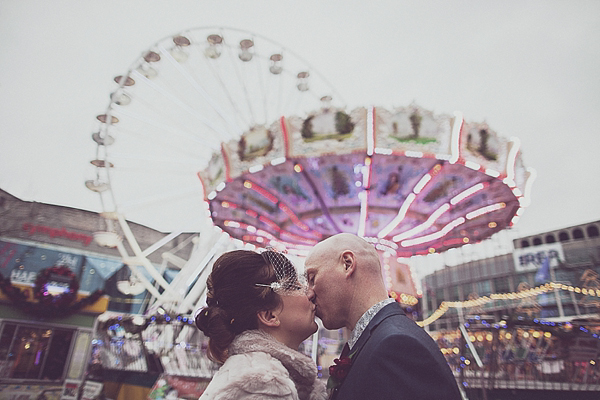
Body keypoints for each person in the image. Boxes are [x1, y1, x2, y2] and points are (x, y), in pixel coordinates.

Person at [304, 233, 462, 400]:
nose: (309, 293)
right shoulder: (381, 339)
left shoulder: (395, 346)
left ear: (347, 264)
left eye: (312, 278)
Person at [195, 249, 327, 400]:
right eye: (296, 287)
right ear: (269, 316)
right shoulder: (263, 383)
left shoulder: (254, 372)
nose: (309, 294)